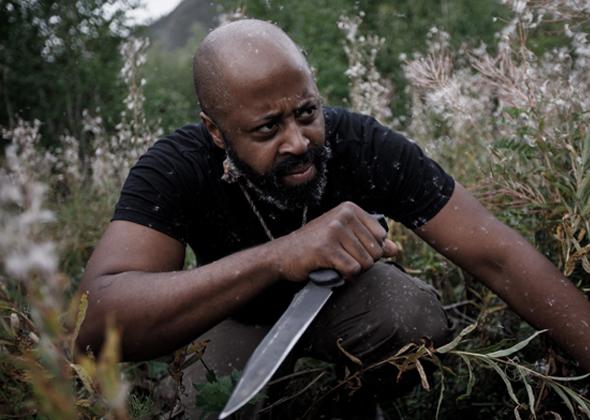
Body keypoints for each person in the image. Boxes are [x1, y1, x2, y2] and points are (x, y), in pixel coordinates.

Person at [77, 18, 590, 418]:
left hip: (344, 308)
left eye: (306, 112)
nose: (298, 142)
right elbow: (94, 324)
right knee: (208, 409)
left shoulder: (363, 144)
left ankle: (356, 404)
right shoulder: (177, 166)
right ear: (216, 132)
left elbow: (499, 256)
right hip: (235, 318)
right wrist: (280, 257)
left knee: (409, 316)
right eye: (267, 129)